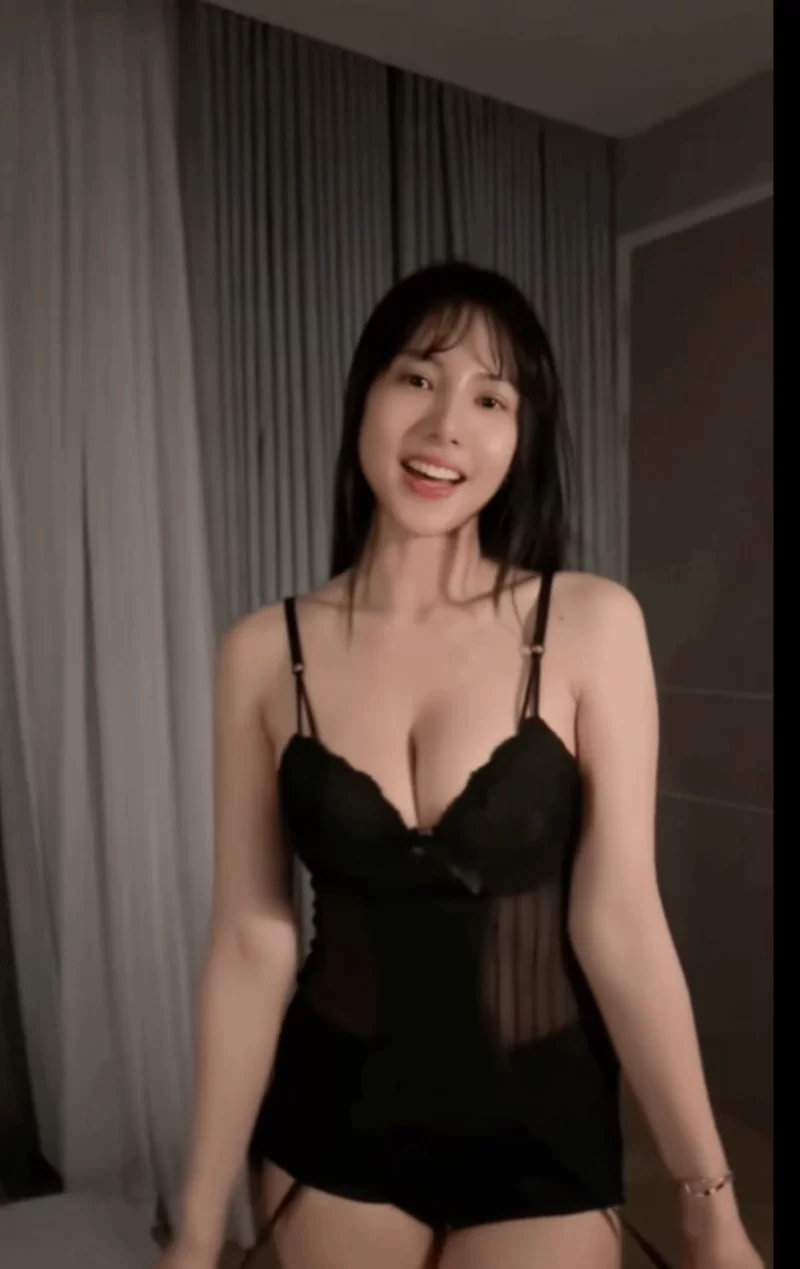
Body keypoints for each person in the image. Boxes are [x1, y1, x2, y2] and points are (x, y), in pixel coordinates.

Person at [157, 263, 764, 1269]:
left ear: (520, 439)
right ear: (364, 393)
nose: (445, 426)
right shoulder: (262, 653)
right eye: (417, 378)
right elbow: (250, 942)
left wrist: (708, 1203)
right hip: (330, 1125)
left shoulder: (589, 624)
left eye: (490, 399)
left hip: (545, 1132)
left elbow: (617, 921)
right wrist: (189, 1231)